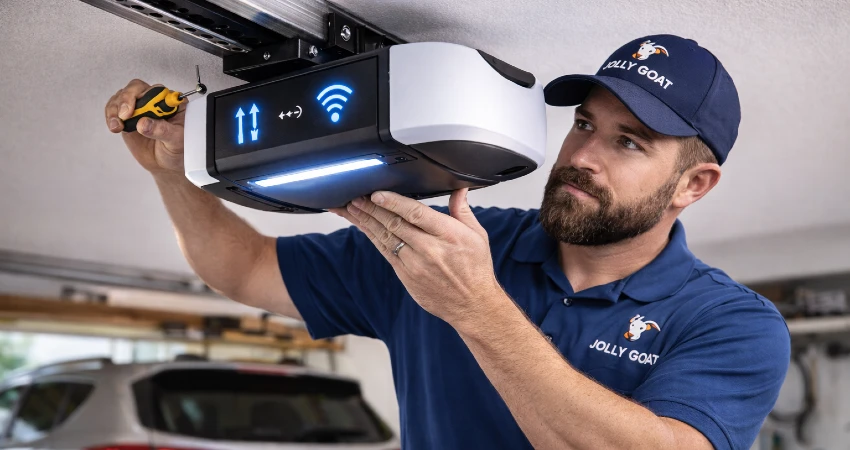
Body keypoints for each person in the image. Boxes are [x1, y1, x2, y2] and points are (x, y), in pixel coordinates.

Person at [104, 34, 790, 449]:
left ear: (693, 184)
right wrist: (172, 176)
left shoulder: (734, 325)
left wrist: (476, 308)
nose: (582, 154)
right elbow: (249, 268)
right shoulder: (455, 244)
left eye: (629, 142)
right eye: (584, 123)